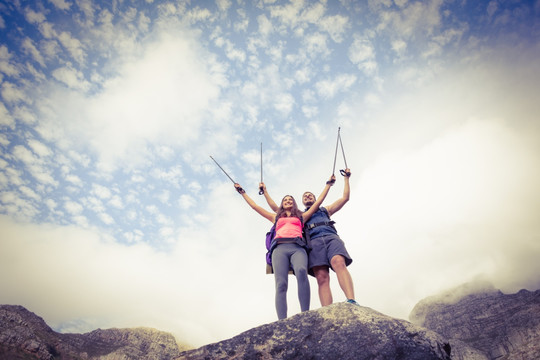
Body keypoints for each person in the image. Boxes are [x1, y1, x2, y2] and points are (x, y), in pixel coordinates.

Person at [233, 175, 334, 319]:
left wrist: (328, 185)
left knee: (301, 271)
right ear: (282, 204)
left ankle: (305, 313)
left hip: (298, 247)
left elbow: (318, 202)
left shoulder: (302, 216)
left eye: (290, 200)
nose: (288, 201)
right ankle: (282, 320)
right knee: (281, 284)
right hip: (279, 249)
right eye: (285, 200)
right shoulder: (276, 218)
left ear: (294, 204)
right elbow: (255, 206)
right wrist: (243, 192)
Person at [264, 168, 357, 307]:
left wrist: (346, 179)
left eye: (310, 195)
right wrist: (265, 192)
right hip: (313, 242)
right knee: (321, 275)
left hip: (330, 236)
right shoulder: (299, 215)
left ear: (315, 198)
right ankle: (326, 310)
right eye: (305, 196)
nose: (308, 197)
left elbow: (345, 198)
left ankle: (351, 300)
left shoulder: (326, 209)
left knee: (338, 262)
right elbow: (276, 208)